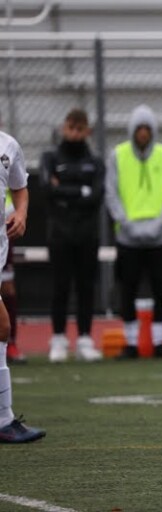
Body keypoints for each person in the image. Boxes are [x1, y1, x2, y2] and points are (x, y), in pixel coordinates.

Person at [106, 105, 162, 359]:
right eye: (139, 129)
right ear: (132, 131)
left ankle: (159, 342)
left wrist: (157, 224)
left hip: (159, 236)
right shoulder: (117, 155)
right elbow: (112, 193)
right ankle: (131, 343)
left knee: (161, 289)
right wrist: (127, 224)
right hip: (128, 237)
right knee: (128, 289)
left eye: (147, 129)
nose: (143, 134)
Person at [39, 108, 105, 363]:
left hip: (87, 233)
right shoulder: (50, 158)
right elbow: (46, 189)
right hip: (60, 233)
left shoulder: (95, 161)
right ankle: (57, 338)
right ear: (63, 128)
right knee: (60, 286)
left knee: (86, 286)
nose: (75, 134)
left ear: (87, 131)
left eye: (80, 129)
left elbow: (97, 196)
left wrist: (64, 190)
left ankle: (85, 339)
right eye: (71, 128)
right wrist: (81, 191)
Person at [0, 126, 45, 443]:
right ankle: (3, 420)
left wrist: (21, 214)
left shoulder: (8, 146)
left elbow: (20, 188)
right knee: (1, 327)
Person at [1, 195, 23, 364]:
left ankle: (11, 343)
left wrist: (18, 211)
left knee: (7, 287)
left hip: (4, 221)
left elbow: (19, 185)